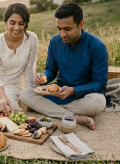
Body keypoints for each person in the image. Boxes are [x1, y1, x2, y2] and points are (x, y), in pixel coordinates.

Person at [20, 2, 109, 130]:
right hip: (59, 92)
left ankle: (47, 108)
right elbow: (50, 70)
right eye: (59, 29)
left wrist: (73, 90)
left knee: (98, 103)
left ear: (81, 24)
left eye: (67, 29)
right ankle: (75, 116)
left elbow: (100, 84)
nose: (62, 34)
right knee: (25, 94)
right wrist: (44, 77)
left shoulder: (97, 46)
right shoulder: (54, 42)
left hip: (83, 96)